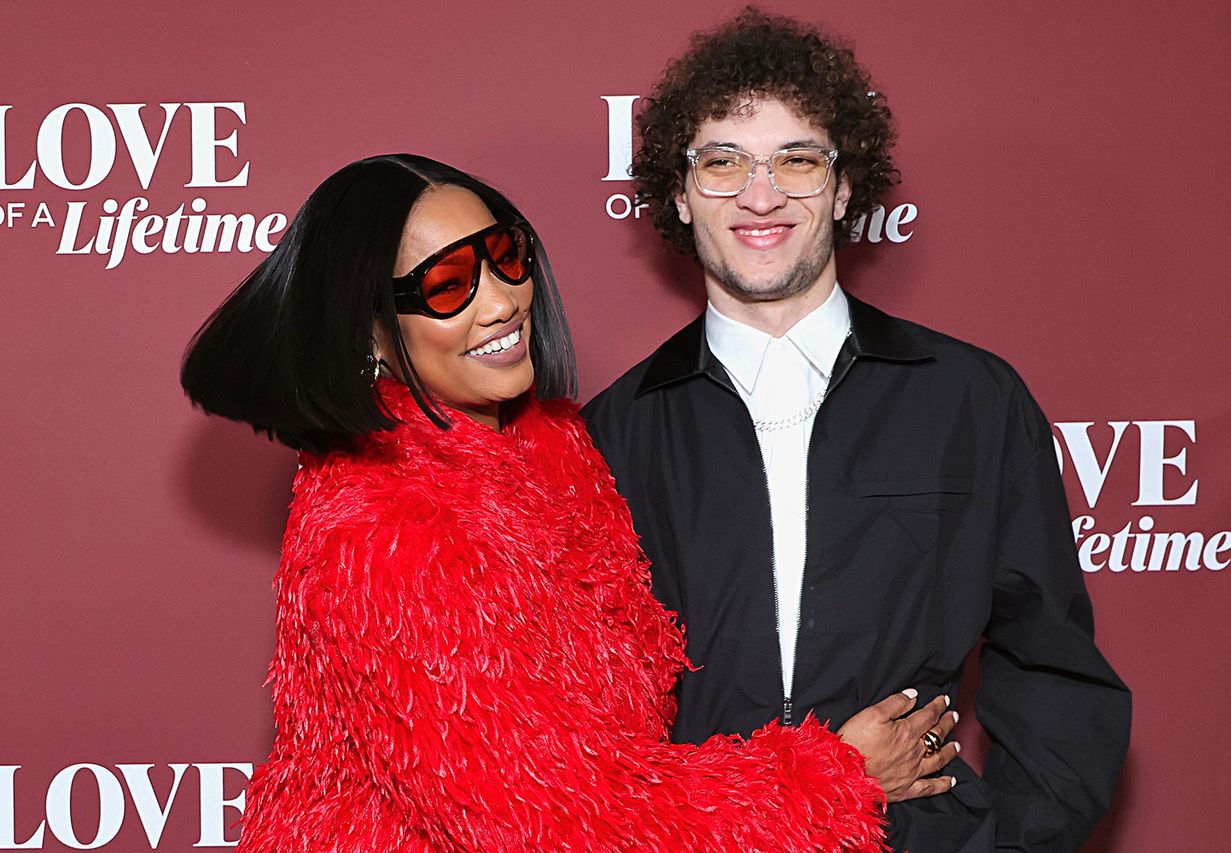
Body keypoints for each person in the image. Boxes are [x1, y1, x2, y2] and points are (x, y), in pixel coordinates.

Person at [180, 153, 953, 851]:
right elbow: (559, 824)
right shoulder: (383, 531)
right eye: (449, 284)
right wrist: (834, 777)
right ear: (373, 333)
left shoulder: (553, 451)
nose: (502, 301)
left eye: (504, 255)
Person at [582, 10, 1132, 852]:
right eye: (723, 162)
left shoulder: (970, 400)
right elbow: (578, 726)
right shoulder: (608, 437)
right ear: (679, 194)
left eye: (796, 160)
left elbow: (1055, 670)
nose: (759, 195)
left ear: (842, 187)